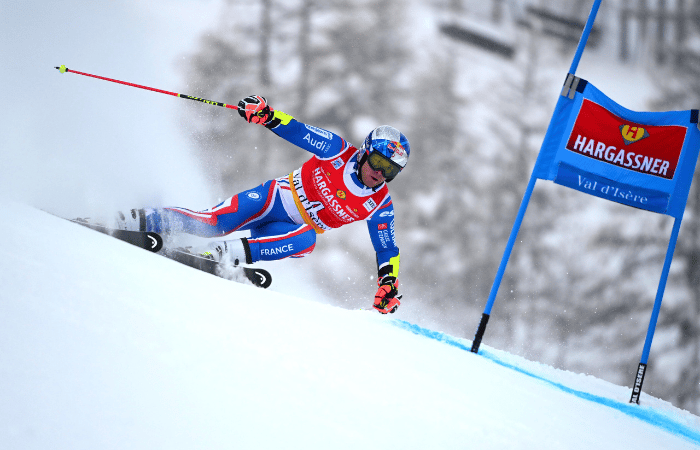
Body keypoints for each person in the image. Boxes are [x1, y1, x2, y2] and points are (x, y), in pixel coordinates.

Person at [118, 95, 410, 314]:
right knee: (210, 224)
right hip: (271, 200)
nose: (379, 173)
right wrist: (266, 115)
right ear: (365, 153)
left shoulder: (379, 204)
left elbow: (386, 248)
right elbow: (297, 130)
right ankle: (137, 218)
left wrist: (389, 284)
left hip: (287, 230)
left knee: (307, 239)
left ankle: (224, 254)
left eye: (390, 171)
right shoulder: (337, 151)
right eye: (377, 162)